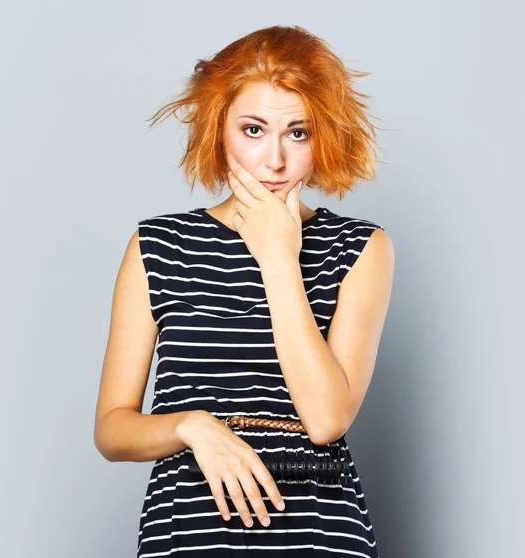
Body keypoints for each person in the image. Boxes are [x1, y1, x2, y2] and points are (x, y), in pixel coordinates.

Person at [94, 25, 394, 557]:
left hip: (317, 523)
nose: (274, 160)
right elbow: (113, 430)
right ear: (220, 130)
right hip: (189, 524)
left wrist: (279, 259)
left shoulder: (360, 247)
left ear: (322, 136)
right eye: (253, 130)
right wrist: (192, 426)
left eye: (297, 133)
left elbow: (326, 420)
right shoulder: (157, 247)